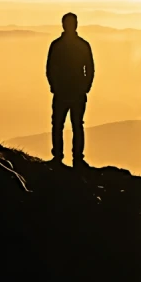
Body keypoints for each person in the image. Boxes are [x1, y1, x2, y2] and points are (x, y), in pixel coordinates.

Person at [46, 12, 95, 168]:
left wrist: (85, 87)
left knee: (71, 125)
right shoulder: (78, 45)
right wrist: (54, 86)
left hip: (72, 92)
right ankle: (65, 158)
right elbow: (50, 68)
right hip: (67, 92)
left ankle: (73, 158)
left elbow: (90, 68)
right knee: (67, 125)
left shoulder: (60, 45)